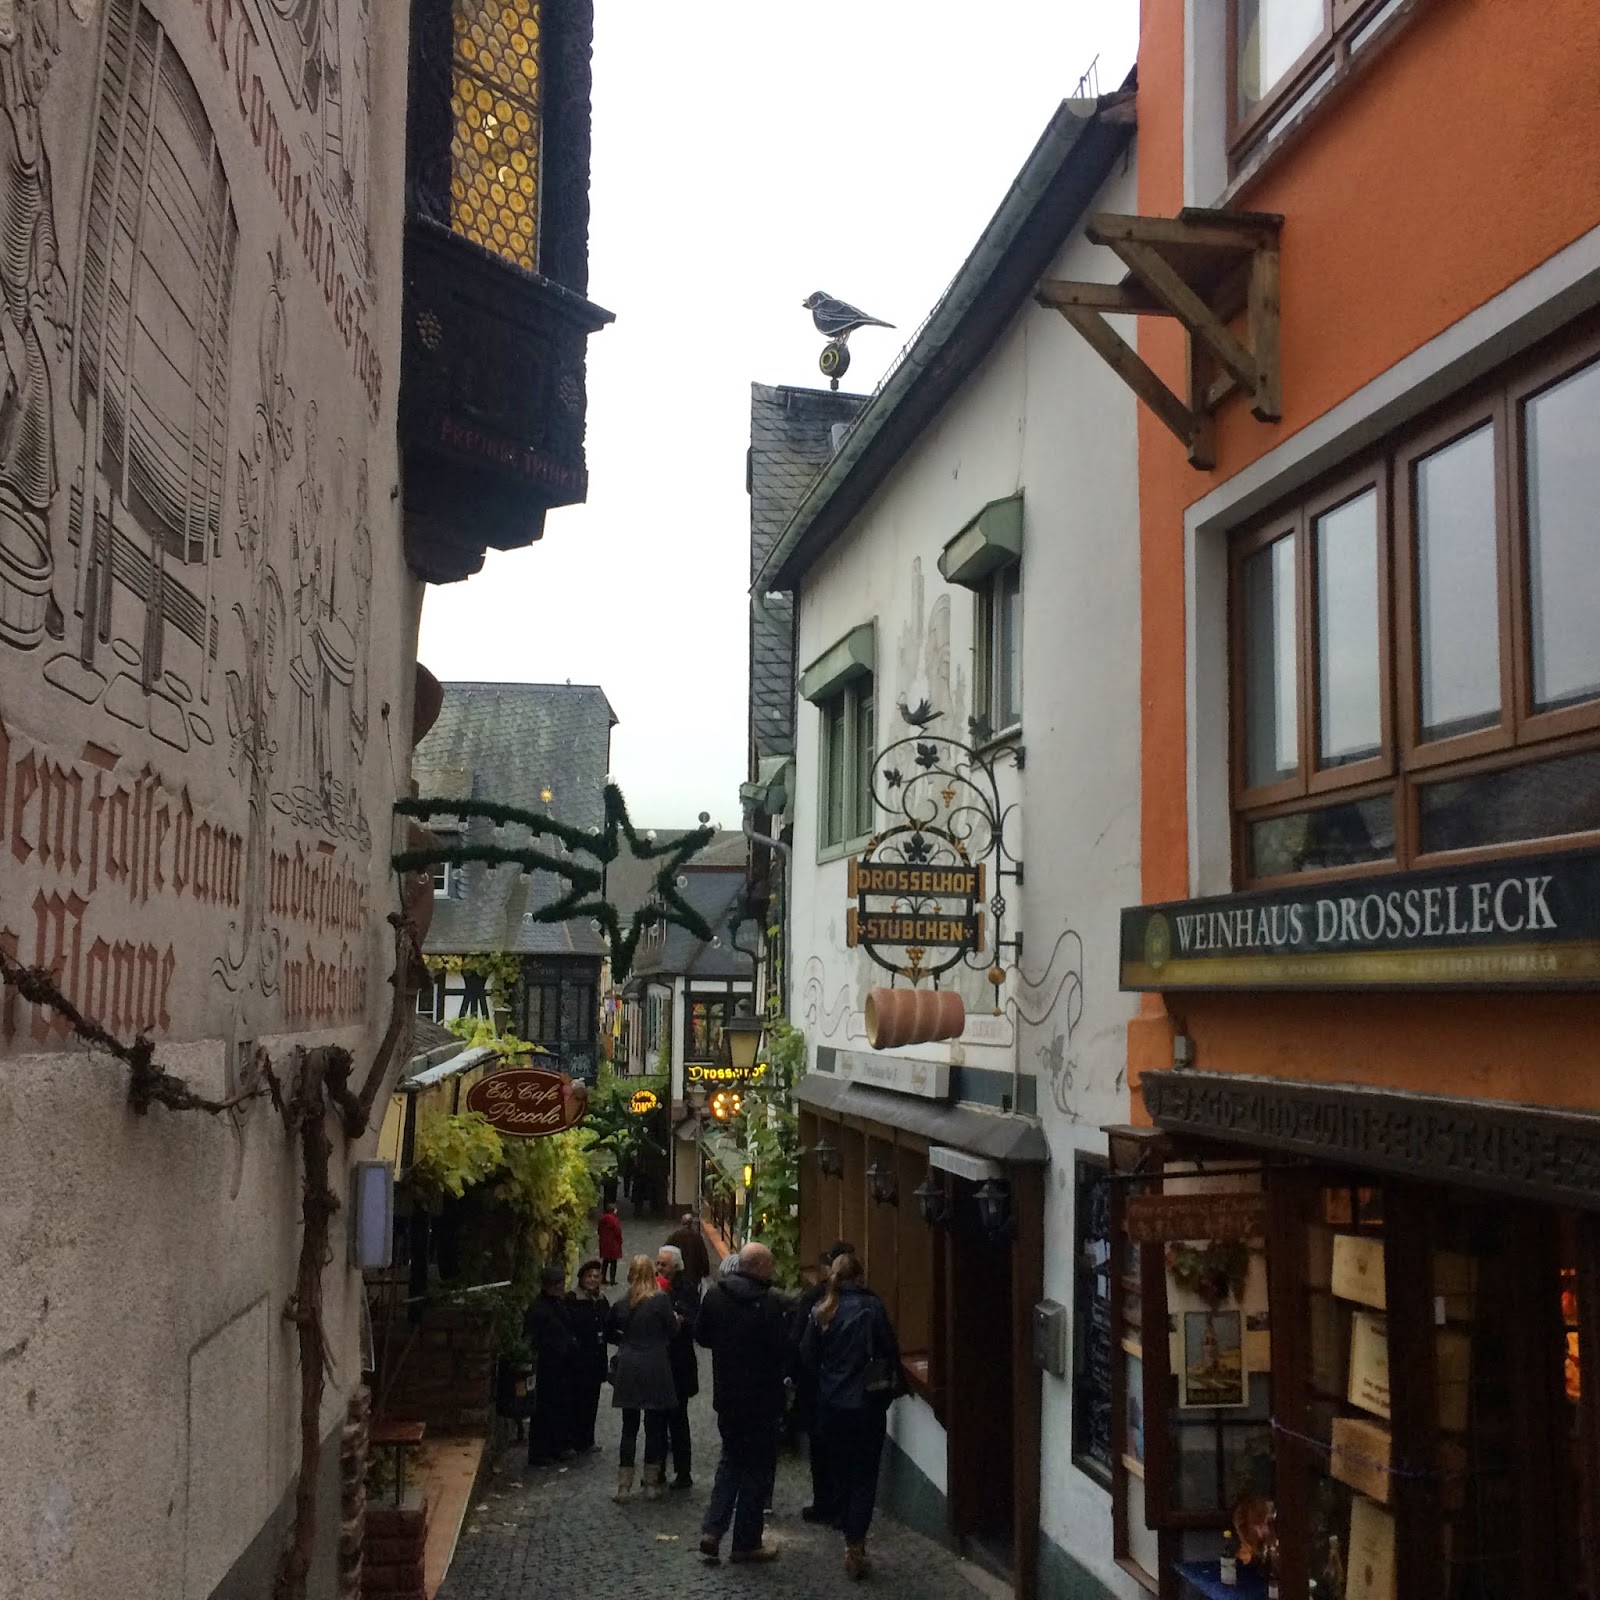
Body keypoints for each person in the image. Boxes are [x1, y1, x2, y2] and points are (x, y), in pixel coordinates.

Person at [800, 1253, 901, 1580]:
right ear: (860, 1276)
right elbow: (889, 1351)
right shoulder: (872, 1308)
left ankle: (846, 1525)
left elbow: (807, 1358)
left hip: (832, 1404)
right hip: (867, 1404)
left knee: (840, 1470)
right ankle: (855, 1542)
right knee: (864, 1475)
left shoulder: (822, 1311)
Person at [694, 1242, 791, 1565]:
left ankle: (712, 1531)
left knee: (730, 1462)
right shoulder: (770, 1303)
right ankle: (746, 1542)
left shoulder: (715, 1296)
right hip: (763, 1399)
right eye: (770, 1266)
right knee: (757, 1469)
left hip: (728, 1396)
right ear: (760, 1267)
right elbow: (782, 1349)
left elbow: (702, 1336)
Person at [790, 1240, 855, 1524]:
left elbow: (800, 1343)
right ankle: (845, 1507)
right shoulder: (869, 1301)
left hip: (819, 1387)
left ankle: (825, 1504)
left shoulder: (816, 1298)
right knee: (846, 1452)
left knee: (821, 1449)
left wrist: (795, 1376)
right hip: (853, 1390)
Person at [607, 1253, 679, 1500]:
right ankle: (650, 1482)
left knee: (629, 1427)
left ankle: (624, 1485)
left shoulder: (622, 1302)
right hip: (655, 1363)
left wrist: (625, 1341)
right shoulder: (661, 1300)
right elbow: (673, 1330)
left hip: (629, 1364)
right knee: (654, 1427)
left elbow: (609, 1330)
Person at [655, 1243, 700, 1488]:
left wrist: (679, 1318)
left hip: (679, 1363)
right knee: (657, 1421)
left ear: (676, 1267)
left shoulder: (687, 1288)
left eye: (664, 1265)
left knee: (678, 1420)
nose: (660, 1268)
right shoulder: (654, 1285)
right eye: (658, 1263)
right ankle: (657, 1469)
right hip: (659, 1362)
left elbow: (693, 1322)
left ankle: (683, 1472)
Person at [524, 1264, 578, 1468]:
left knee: (559, 1407)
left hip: (561, 1366)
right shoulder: (539, 1309)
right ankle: (540, 1452)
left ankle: (556, 1446)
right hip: (547, 1367)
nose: (561, 1287)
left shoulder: (556, 1304)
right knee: (544, 1409)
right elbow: (532, 1338)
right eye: (558, 1284)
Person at [566, 1259, 610, 1454]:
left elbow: (608, 1326)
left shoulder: (601, 1301)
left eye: (596, 1276)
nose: (593, 1279)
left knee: (592, 1401)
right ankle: (572, 1440)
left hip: (596, 1359)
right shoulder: (572, 1300)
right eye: (589, 1276)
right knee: (576, 1402)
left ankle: (586, 1440)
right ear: (582, 1278)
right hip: (578, 1360)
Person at [666, 1209, 712, 1287]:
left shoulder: (675, 1236)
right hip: (694, 1272)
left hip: (679, 1272)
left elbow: (666, 1250)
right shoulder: (697, 1237)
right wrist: (705, 1271)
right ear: (691, 1223)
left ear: (682, 1222)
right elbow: (703, 1255)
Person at [597, 1203, 623, 1286]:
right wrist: (620, 1241)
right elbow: (618, 1231)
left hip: (604, 1243)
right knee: (613, 1262)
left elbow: (599, 1230)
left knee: (605, 1261)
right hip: (613, 1244)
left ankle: (603, 1277)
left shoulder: (602, 1219)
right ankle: (612, 1279)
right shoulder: (614, 1220)